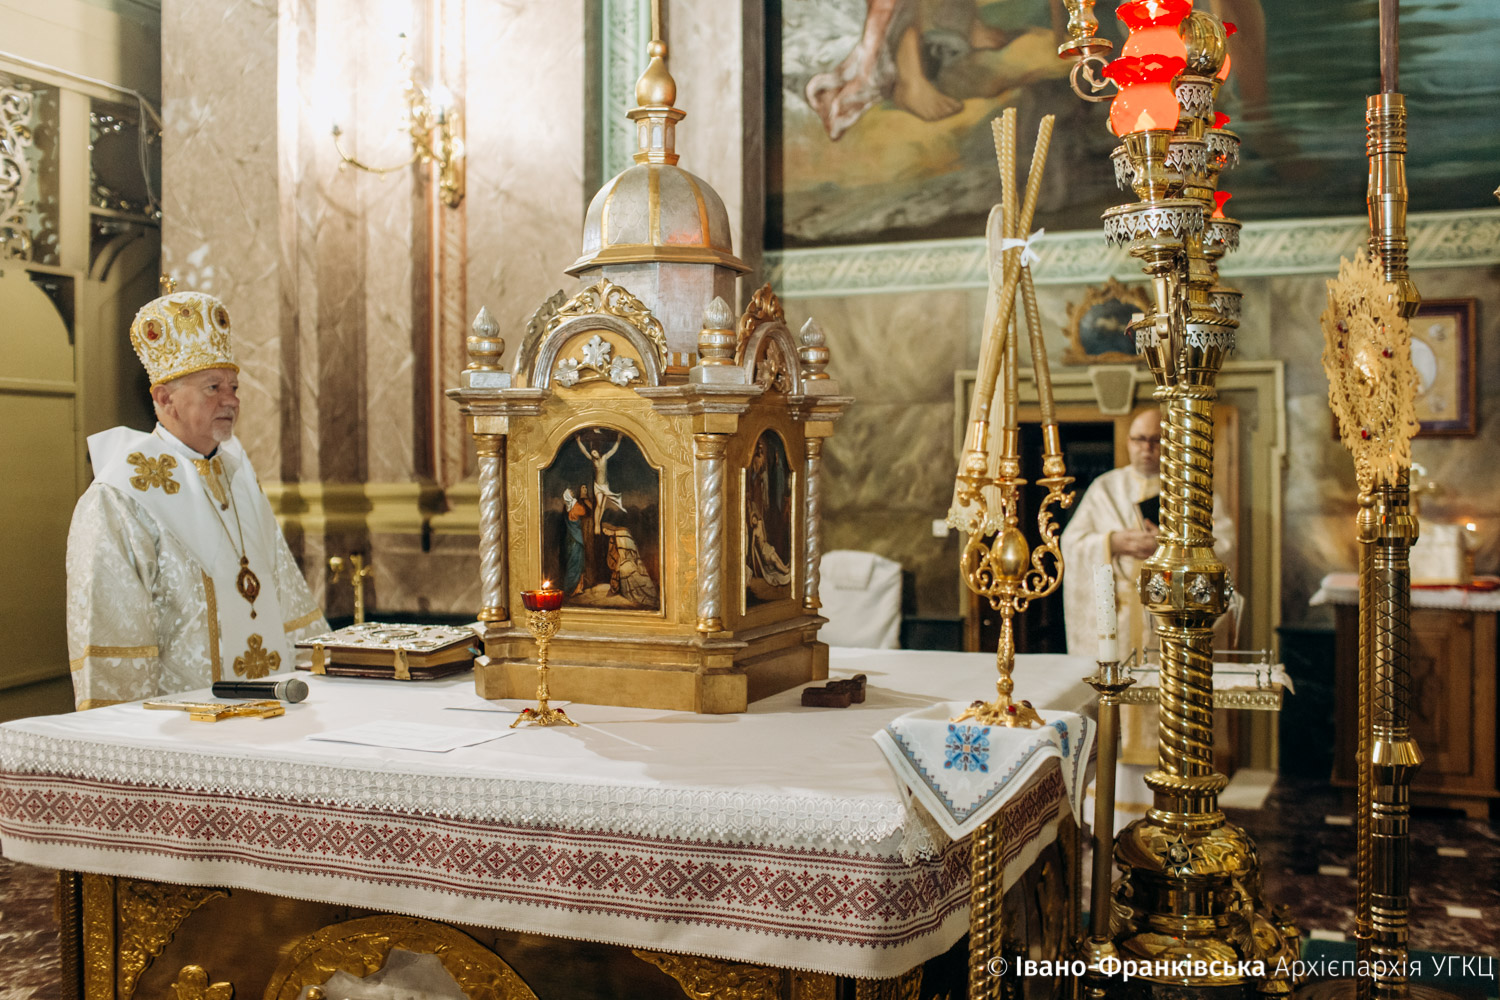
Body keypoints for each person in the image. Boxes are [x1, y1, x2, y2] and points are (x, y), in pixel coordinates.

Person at [65, 291, 328, 709]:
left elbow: (284, 588)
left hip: (273, 708)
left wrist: (321, 674)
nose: (232, 400)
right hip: (182, 719)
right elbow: (111, 628)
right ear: (164, 398)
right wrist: (127, 728)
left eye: (234, 387)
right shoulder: (120, 494)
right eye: (213, 388)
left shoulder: (238, 475)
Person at [1060, 408, 1235, 660]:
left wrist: (1170, 548)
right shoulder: (1105, 488)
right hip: (1117, 615)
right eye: (1139, 439)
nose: (1147, 448)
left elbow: (1225, 545)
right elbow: (1071, 542)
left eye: (1156, 440)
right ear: (1128, 442)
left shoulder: (1194, 491)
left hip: (1171, 616)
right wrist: (1112, 542)